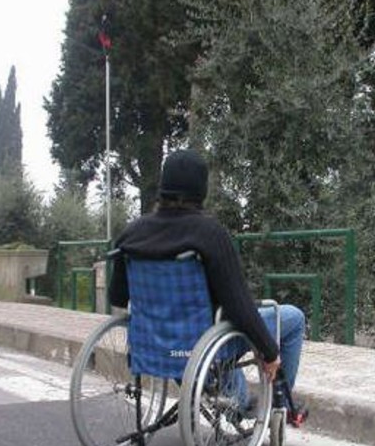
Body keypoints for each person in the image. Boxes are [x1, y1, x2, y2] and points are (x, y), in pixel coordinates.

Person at [108, 149, 305, 417]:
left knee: (218, 331)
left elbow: (117, 297)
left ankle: (237, 401)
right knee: (292, 317)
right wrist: (270, 352)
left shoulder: (131, 234)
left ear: (163, 186)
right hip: (204, 344)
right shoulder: (209, 233)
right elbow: (239, 305)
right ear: (202, 189)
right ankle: (281, 403)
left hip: (154, 346)